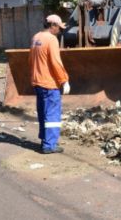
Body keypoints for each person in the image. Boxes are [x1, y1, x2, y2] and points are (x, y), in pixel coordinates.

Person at [30, 14, 71, 154]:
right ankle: (50, 145)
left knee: (43, 113)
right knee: (52, 114)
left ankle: (44, 140)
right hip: (49, 83)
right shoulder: (51, 39)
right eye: (58, 28)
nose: (59, 30)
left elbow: (31, 59)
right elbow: (55, 62)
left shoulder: (36, 37)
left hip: (37, 81)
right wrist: (64, 80)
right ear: (53, 25)